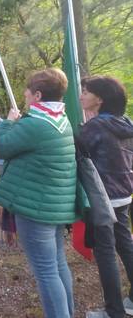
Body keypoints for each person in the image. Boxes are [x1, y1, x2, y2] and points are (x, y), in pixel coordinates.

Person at [0, 68, 79, 318]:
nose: (25, 95)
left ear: (38, 95)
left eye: (28, 91)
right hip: (54, 206)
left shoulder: (37, 124)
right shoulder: (62, 120)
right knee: (57, 265)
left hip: (35, 209)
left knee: (46, 271)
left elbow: (0, 147)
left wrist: (7, 121)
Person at [78, 76, 133, 318]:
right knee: (125, 245)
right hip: (124, 194)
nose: (81, 96)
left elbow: (77, 156)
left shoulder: (95, 127)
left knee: (106, 252)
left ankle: (114, 311)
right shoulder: (125, 122)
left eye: (85, 92)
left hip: (103, 198)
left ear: (98, 99)